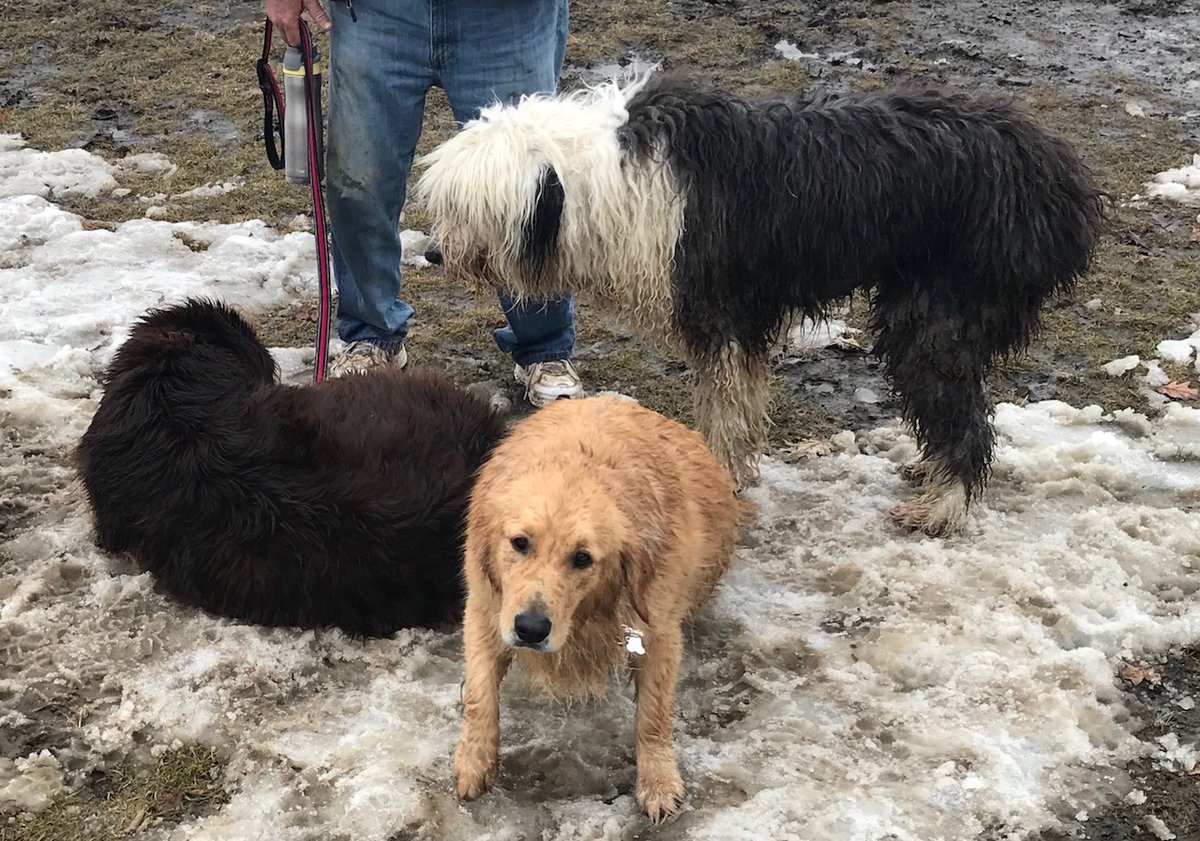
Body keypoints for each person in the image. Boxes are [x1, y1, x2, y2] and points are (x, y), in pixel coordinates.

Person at [265, 0, 583, 406]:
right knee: (359, 184)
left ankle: (545, 346)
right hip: (376, 12)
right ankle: (370, 335)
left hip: (509, 17)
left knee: (529, 186)